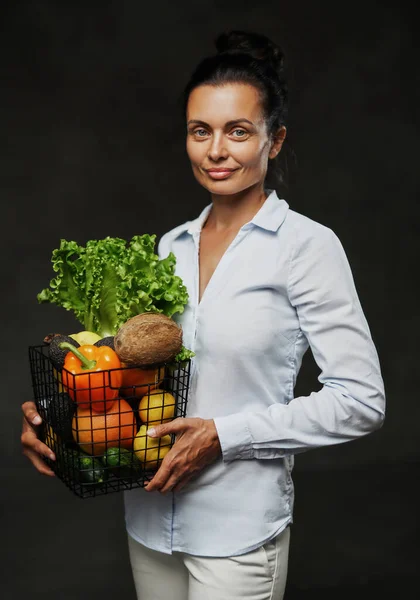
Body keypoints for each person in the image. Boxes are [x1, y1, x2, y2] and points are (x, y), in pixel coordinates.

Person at [21, 29, 386, 600]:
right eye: (201, 131)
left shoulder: (305, 247)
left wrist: (224, 436)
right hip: (147, 520)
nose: (217, 151)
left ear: (275, 140)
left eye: (238, 131)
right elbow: (133, 378)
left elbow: (361, 402)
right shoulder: (169, 248)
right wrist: (59, 414)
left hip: (236, 532)